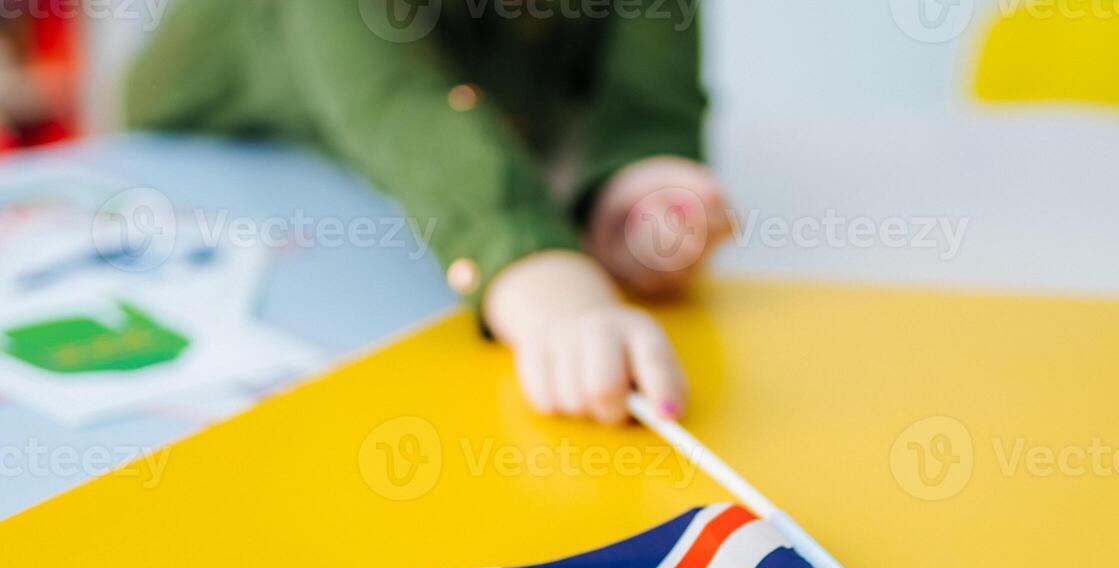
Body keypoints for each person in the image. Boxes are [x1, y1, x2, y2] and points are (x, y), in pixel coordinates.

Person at [125, 0, 731, 424]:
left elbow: (651, 99)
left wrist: (644, 180)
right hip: (207, 166)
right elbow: (401, 105)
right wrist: (547, 281)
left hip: (428, 161)